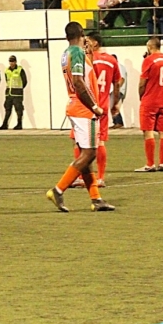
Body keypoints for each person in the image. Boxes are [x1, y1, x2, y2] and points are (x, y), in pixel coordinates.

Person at [46, 22, 113, 213]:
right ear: (81, 34)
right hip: (84, 109)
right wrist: (94, 106)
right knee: (90, 153)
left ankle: (96, 199)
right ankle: (58, 190)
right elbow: (78, 81)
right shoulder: (76, 52)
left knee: (85, 155)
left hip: (75, 107)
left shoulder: (67, 53)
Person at [87, 34, 121, 186]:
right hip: (103, 105)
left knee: (79, 141)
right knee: (100, 141)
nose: (85, 44)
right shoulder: (112, 60)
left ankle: (82, 176)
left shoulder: (88, 58)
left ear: (95, 43)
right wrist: (115, 103)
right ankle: (100, 178)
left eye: (87, 41)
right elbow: (117, 83)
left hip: (88, 105)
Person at [135, 37, 163, 172]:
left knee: (148, 131)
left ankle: (150, 164)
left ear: (150, 47)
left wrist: (141, 96)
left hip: (150, 100)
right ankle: (161, 163)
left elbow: (142, 83)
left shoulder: (149, 60)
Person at [0, 55, 27, 130]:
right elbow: (7, 80)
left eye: (13, 61)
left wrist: (19, 89)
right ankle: (5, 124)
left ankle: (19, 124)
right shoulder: (7, 70)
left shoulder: (20, 70)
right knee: (7, 109)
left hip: (17, 93)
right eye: (10, 61)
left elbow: (24, 81)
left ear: (15, 62)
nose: (11, 63)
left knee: (18, 109)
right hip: (9, 93)